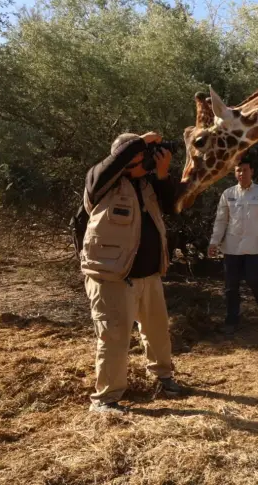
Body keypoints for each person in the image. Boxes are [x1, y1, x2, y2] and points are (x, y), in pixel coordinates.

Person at [80, 132, 183, 414]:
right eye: (143, 155)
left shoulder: (147, 185)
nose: (148, 160)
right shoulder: (101, 182)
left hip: (149, 276)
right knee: (113, 336)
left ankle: (163, 377)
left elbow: (173, 206)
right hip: (112, 278)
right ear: (126, 158)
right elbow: (116, 162)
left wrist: (162, 174)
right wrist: (142, 140)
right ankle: (105, 399)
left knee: (158, 331)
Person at [208, 157, 258, 334]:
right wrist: (214, 242)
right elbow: (221, 220)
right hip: (231, 248)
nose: (241, 173)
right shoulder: (228, 194)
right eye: (238, 170)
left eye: (245, 170)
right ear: (234, 173)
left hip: (253, 248)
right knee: (231, 287)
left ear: (252, 171)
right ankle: (232, 319)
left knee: (256, 282)